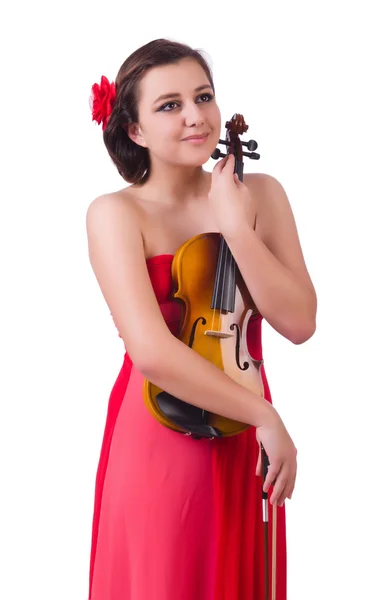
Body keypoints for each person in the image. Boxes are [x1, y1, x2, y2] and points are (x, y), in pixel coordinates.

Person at [86, 38, 317, 600]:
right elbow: (152, 352)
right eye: (169, 105)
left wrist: (236, 226)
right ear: (134, 129)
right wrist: (265, 414)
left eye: (203, 96)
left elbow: (299, 321)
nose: (196, 116)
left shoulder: (259, 195)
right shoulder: (116, 213)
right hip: (162, 427)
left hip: (245, 433)